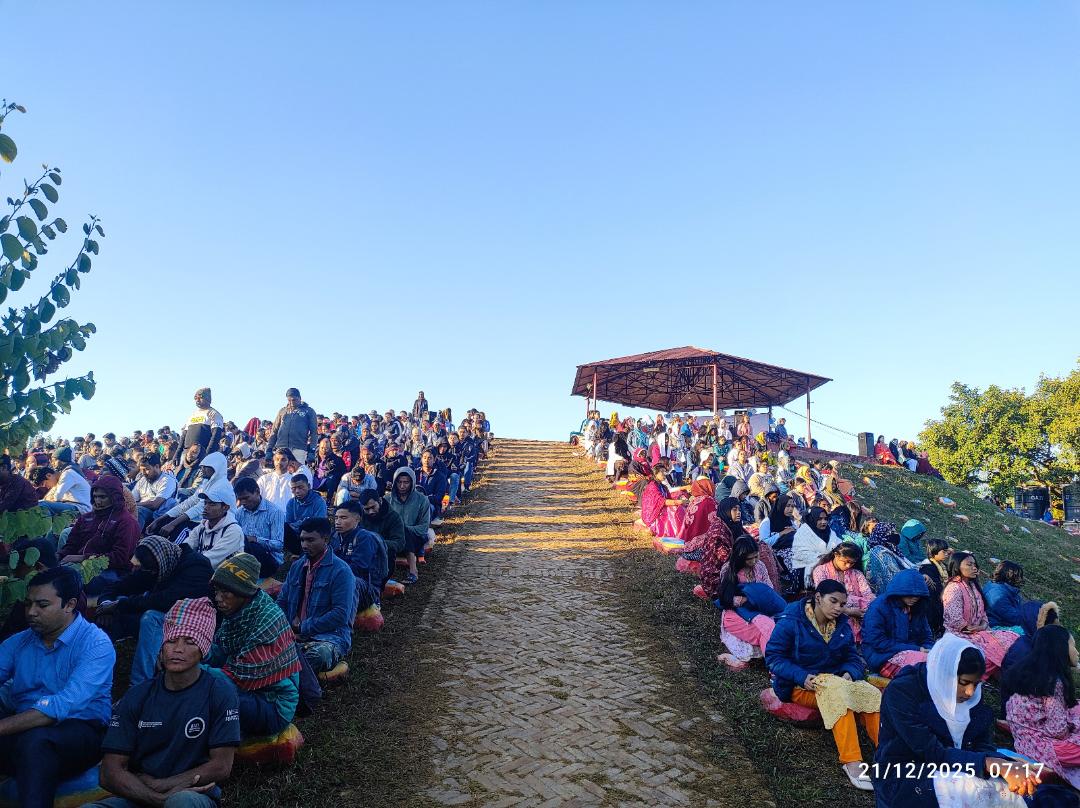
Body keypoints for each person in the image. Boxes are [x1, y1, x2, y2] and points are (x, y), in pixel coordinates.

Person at [90, 597, 240, 808]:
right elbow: (109, 772)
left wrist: (163, 785)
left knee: (181, 802)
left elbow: (221, 766)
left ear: (204, 649)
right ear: (161, 646)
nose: (178, 649)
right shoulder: (138, 696)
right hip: (140, 795)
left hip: (189, 794)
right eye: (171, 640)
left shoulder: (219, 692)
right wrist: (156, 798)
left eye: (190, 642)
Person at [873, 634, 1037, 807]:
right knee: (975, 790)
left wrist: (1004, 765)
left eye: (976, 684)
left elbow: (981, 744)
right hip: (907, 774)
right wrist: (990, 763)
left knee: (1021, 787)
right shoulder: (903, 693)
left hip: (957, 765)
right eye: (964, 682)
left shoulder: (970, 698)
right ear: (946, 673)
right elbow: (932, 752)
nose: (970, 692)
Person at [0, 567, 115, 808]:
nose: (31, 612)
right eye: (28, 604)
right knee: (31, 740)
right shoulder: (20, 642)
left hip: (81, 732)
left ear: (69, 605)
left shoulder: (96, 644)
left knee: (36, 742)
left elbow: (63, 705)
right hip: (23, 728)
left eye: (42, 605)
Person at [765, 579, 879, 790]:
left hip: (835, 680)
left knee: (870, 694)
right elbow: (773, 657)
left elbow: (853, 658)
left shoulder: (842, 625)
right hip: (800, 686)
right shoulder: (792, 620)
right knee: (838, 695)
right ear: (818, 598)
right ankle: (852, 761)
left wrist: (849, 673)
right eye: (833, 601)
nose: (838, 608)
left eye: (842, 604)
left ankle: (889, 753)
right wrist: (801, 676)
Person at [206, 554, 302, 738]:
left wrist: (193, 671)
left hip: (273, 704)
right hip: (250, 689)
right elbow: (220, 649)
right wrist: (196, 653)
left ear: (242, 591)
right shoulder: (240, 612)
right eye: (216, 591)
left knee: (204, 690)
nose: (218, 598)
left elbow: (238, 676)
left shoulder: (268, 621)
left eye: (225, 592)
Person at [97, 536, 214, 687]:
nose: (150, 573)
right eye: (148, 569)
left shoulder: (196, 566)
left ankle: (139, 685)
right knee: (116, 612)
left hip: (191, 624)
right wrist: (106, 606)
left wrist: (119, 604)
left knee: (149, 616)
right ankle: (96, 670)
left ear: (159, 561)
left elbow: (166, 601)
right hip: (165, 617)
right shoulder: (158, 564)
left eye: (152, 569)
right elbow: (118, 586)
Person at [1004, 624, 1080, 789]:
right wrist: (1074, 725)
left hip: (1024, 743)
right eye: (1073, 646)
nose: (1077, 652)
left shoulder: (1029, 672)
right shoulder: (1053, 682)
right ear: (1060, 649)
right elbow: (1058, 732)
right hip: (1044, 748)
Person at [277, 518, 357, 673]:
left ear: (326, 539)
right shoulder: (297, 566)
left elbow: (340, 615)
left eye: (310, 540)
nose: (304, 545)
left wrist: (302, 627)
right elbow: (282, 602)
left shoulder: (341, 571)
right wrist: (285, 628)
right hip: (292, 634)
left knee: (319, 655)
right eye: (302, 540)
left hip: (327, 638)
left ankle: (287, 667)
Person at [58, 475, 141, 598]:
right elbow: (71, 545)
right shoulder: (86, 518)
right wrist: (58, 556)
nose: (98, 501)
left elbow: (120, 558)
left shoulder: (126, 522)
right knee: (53, 570)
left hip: (113, 571)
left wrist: (82, 558)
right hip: (83, 564)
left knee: (68, 578)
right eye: (95, 496)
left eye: (103, 497)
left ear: (114, 497)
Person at [941, 551, 1019, 677]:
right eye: (969, 565)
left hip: (979, 632)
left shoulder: (973, 586)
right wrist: (974, 629)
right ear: (957, 567)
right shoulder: (953, 588)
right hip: (959, 635)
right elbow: (955, 620)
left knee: (1013, 639)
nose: (974, 568)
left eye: (975, 565)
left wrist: (983, 625)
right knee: (983, 656)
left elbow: (983, 612)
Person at [715, 535, 786, 670]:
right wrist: (746, 599)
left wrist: (755, 598)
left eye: (756, 556)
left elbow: (768, 589)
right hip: (737, 613)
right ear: (740, 557)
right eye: (749, 559)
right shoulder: (729, 570)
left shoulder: (760, 567)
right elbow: (726, 599)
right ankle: (777, 667)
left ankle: (780, 663)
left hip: (761, 608)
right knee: (766, 628)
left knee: (781, 626)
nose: (754, 561)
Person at [862, 568, 935, 677]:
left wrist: (929, 649)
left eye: (918, 595)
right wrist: (916, 649)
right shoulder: (878, 607)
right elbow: (877, 642)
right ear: (899, 591)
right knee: (923, 672)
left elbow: (926, 636)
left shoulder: (918, 607)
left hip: (915, 652)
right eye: (910, 595)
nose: (914, 598)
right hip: (882, 656)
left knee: (939, 663)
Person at [149, 452, 230, 540]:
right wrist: (161, 518)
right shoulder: (207, 482)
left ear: (216, 468)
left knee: (176, 533)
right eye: (202, 467)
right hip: (199, 520)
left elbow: (200, 508)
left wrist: (172, 524)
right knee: (163, 523)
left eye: (205, 467)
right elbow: (190, 502)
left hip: (213, 525)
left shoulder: (221, 486)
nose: (202, 469)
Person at [811, 543, 876, 642]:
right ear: (836, 555)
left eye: (852, 563)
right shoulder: (820, 571)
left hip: (859, 614)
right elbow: (825, 598)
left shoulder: (857, 573)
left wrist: (865, 608)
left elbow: (868, 595)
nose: (848, 565)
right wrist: (848, 611)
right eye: (846, 562)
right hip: (831, 615)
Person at [332, 501, 388, 607]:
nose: (338, 522)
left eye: (343, 518)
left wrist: (331, 572)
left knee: (348, 580)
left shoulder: (364, 538)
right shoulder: (334, 537)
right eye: (336, 518)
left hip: (366, 588)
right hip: (339, 579)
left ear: (357, 519)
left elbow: (358, 569)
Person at [233, 476, 286, 578]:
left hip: (270, 559)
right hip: (246, 555)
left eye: (246, 498)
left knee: (253, 546)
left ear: (257, 492)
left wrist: (256, 540)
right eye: (240, 499)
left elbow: (278, 545)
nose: (243, 502)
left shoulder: (275, 512)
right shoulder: (239, 512)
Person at [182, 487, 245, 570]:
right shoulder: (202, 527)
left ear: (225, 508)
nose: (206, 507)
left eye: (212, 504)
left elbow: (210, 559)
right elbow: (186, 547)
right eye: (205, 503)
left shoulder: (234, 531)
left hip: (221, 575)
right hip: (201, 569)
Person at [385, 467, 429, 584]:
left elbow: (424, 527)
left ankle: (413, 571)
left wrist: (403, 529)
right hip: (393, 538)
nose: (402, 486)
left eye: (406, 482)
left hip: (415, 539)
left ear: (412, 483)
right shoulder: (387, 499)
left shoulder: (422, 500)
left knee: (404, 531)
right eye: (399, 482)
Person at [790, 506, 842, 588]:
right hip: (805, 567)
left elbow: (838, 544)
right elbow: (800, 554)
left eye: (825, 519)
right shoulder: (803, 532)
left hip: (829, 563)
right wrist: (823, 558)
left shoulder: (829, 531)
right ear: (812, 519)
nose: (824, 522)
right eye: (819, 519)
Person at [171, 388, 223, 468]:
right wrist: (177, 453)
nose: (197, 400)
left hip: (201, 454)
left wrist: (207, 454)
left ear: (208, 399)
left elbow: (216, 436)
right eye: (196, 398)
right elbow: (184, 435)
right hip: (187, 454)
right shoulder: (193, 415)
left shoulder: (214, 414)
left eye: (200, 397)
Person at [265, 388, 318, 463]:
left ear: (300, 398)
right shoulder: (282, 411)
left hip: (299, 449)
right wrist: (269, 448)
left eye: (294, 400)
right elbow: (274, 431)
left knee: (296, 470)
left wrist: (312, 450)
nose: (291, 402)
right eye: (289, 400)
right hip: (281, 448)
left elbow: (314, 433)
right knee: (281, 469)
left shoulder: (309, 411)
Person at [361, 489, 407, 572]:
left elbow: (400, 543)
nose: (370, 512)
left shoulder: (394, 517)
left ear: (380, 501)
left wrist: (378, 543)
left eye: (373, 507)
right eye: (367, 509)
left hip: (383, 554)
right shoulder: (358, 515)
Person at [864, 521, 915, 594]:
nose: (896, 534)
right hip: (890, 592)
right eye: (892, 532)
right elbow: (895, 577)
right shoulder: (881, 553)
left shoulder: (890, 548)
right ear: (882, 535)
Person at [132, 453, 179, 530]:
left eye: (146, 469)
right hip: (140, 507)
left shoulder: (168, 480)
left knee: (138, 511)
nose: (143, 473)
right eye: (141, 470)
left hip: (156, 514)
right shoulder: (143, 480)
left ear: (157, 466)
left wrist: (134, 505)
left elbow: (155, 504)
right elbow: (133, 498)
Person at [639, 461, 686, 538]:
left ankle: (682, 530)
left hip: (660, 509)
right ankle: (674, 531)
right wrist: (679, 502)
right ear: (655, 474)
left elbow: (668, 497)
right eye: (662, 472)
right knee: (673, 510)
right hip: (652, 514)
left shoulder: (662, 486)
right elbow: (663, 501)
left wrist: (680, 499)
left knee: (679, 504)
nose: (665, 474)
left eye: (665, 472)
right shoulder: (652, 486)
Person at [284, 474, 327, 556]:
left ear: (309, 486)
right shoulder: (291, 502)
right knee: (284, 527)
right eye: (293, 488)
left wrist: (300, 524)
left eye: (300, 487)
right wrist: (305, 522)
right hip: (296, 535)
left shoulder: (319, 502)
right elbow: (289, 524)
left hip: (312, 536)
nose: (297, 491)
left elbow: (318, 524)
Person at [41, 447, 92, 515]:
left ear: (61, 460)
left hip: (81, 508)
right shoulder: (68, 471)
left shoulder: (68, 473)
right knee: (41, 503)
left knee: (43, 505)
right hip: (74, 505)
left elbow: (57, 497)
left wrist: (45, 501)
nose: (52, 463)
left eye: (54, 460)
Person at [919, 537, 952, 636]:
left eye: (947, 552)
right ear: (934, 551)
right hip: (933, 602)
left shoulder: (941, 565)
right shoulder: (927, 568)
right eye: (944, 552)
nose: (946, 554)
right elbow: (935, 587)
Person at [983, 561, 1026, 630]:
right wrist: (1030, 619)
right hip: (995, 626)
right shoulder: (996, 592)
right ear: (1010, 576)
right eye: (1018, 576)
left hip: (1004, 623)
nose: (1021, 579)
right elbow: (1011, 616)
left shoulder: (1007, 589)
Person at [416, 448, 449, 525]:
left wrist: (425, 498)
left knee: (425, 511)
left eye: (429, 458)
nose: (426, 460)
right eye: (424, 457)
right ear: (421, 459)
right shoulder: (415, 473)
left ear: (434, 460)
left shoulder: (440, 476)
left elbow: (439, 497)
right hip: (414, 502)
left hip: (431, 504)